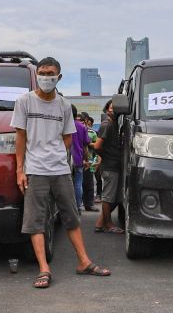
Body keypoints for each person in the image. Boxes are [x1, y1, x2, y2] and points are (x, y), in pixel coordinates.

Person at [11, 57, 110, 289]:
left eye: (50, 73)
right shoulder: (24, 102)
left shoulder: (64, 105)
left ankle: (84, 262)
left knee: (71, 217)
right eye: (42, 73)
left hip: (60, 169)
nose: (46, 77)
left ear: (59, 77)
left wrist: (52, 153)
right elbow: (20, 137)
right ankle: (44, 269)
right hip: (34, 170)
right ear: (37, 75)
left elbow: (67, 138)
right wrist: (20, 170)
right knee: (35, 221)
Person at [93, 100, 124, 234]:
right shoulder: (107, 124)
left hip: (114, 165)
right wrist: (105, 157)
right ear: (107, 109)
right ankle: (108, 224)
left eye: (115, 108)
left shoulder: (115, 124)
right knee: (108, 197)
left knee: (116, 197)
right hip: (110, 166)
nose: (113, 110)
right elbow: (97, 146)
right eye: (111, 107)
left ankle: (100, 223)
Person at [71, 106, 90, 212]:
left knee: (67, 184)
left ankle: (69, 207)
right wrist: (86, 160)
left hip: (65, 160)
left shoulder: (63, 125)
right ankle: (78, 206)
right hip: (78, 158)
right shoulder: (81, 126)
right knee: (78, 183)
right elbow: (85, 145)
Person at [81, 114, 99, 212]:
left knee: (89, 183)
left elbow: (97, 147)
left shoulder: (92, 132)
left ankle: (89, 203)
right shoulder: (74, 130)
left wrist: (95, 161)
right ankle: (79, 203)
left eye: (82, 120)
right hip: (78, 160)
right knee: (79, 183)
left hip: (90, 160)